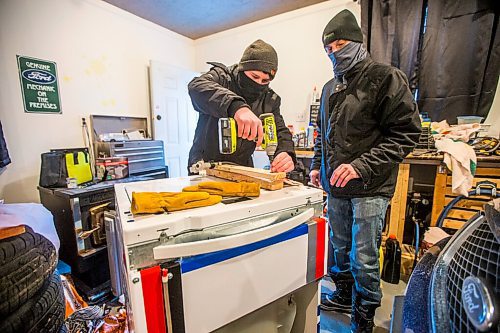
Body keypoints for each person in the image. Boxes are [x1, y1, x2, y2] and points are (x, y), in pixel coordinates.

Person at [309, 10, 421, 333]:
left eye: (340, 45)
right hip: (337, 185)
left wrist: (360, 166)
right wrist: (318, 165)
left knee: (364, 256)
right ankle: (344, 295)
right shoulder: (330, 88)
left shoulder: (385, 78)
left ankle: (365, 314)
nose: (334, 53)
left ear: (357, 41)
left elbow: (406, 133)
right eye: (328, 49)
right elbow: (323, 134)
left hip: (372, 186)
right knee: (340, 247)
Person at [187, 39, 295, 173]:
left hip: (242, 167)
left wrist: (286, 153)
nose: (258, 83)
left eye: (265, 81)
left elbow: (279, 130)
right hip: (205, 164)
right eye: (254, 76)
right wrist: (236, 106)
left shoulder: (269, 99)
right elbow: (196, 87)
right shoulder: (222, 78)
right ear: (243, 69)